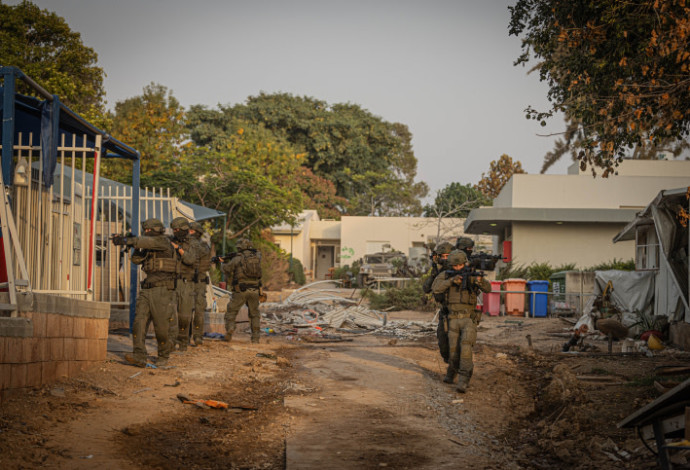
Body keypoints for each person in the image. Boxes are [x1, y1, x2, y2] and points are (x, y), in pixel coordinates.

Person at [112, 218, 178, 367]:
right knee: (139, 323)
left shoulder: (162, 241)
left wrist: (126, 240)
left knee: (161, 327)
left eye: (149, 230)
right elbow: (136, 259)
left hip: (162, 290)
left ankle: (163, 355)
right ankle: (139, 355)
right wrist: (133, 243)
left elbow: (145, 242)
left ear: (156, 230)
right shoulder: (149, 246)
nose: (146, 233)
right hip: (147, 289)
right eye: (145, 230)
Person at [432, 250, 491, 393]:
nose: (458, 268)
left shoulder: (472, 274)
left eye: (460, 265)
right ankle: (452, 371)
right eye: (455, 265)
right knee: (453, 352)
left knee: (466, 349)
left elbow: (488, 289)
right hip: (452, 319)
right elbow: (435, 288)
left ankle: (463, 380)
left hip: (468, 318)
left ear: (465, 263)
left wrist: (480, 281)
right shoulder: (446, 275)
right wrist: (451, 281)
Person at [221, 238, 263, 343]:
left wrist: (222, 263)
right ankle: (256, 338)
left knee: (231, 311)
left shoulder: (237, 258)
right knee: (254, 314)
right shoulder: (257, 257)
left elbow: (226, 269)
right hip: (255, 290)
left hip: (240, 290)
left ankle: (230, 329)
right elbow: (259, 253)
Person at [169, 217, 199, 352]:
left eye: (177, 229)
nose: (175, 232)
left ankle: (183, 342)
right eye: (173, 230)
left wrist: (179, 249)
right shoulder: (170, 240)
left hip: (187, 283)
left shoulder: (193, 243)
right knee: (169, 314)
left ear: (184, 229)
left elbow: (191, 259)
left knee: (185, 316)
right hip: (171, 281)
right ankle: (171, 342)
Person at [423, 241, 454, 363]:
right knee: (443, 344)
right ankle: (450, 363)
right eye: (443, 256)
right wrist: (435, 271)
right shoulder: (439, 272)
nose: (445, 259)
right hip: (446, 312)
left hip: (461, 313)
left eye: (448, 256)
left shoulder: (462, 270)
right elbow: (426, 288)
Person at [189, 221, 211, 346]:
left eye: (191, 231)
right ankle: (187, 336)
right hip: (189, 281)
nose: (188, 233)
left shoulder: (201, 246)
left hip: (199, 282)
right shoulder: (199, 245)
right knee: (185, 310)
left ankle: (197, 336)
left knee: (198, 310)